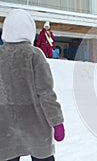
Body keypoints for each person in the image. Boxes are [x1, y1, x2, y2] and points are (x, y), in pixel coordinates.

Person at [0, 9, 65, 161]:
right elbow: (46, 93)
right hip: (36, 126)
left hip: (5, 127)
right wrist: (57, 122)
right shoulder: (34, 55)